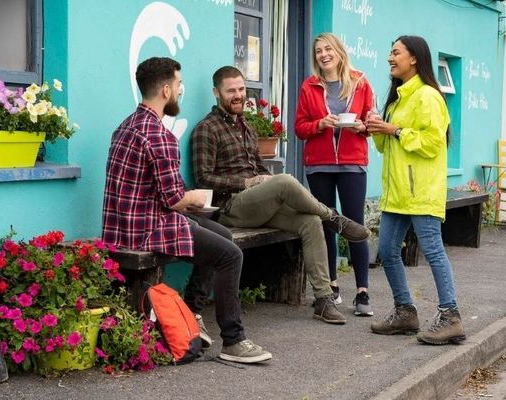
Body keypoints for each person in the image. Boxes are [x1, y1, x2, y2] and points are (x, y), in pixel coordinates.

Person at [102, 57, 272, 363]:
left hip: (123, 225)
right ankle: (233, 341)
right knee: (231, 255)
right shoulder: (159, 135)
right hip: (147, 229)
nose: (181, 91)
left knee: (220, 233)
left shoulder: (125, 126)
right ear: (166, 90)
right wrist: (193, 196)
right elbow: (173, 199)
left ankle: (194, 311)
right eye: (179, 84)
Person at [191, 65, 371, 325]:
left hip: (258, 206)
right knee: (285, 181)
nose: (238, 95)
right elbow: (204, 179)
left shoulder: (246, 127)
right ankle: (333, 217)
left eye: (241, 89)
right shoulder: (207, 129)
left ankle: (323, 299)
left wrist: (264, 179)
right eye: (231, 91)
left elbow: (260, 169)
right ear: (216, 93)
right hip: (230, 208)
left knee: (309, 222)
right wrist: (247, 182)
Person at [365, 36, 466, 345]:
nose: (389, 58)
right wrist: (376, 127)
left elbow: (435, 142)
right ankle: (405, 311)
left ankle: (451, 316)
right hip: (397, 193)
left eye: (396, 52)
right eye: (390, 52)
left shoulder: (428, 97)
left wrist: (394, 130)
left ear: (414, 59)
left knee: (433, 250)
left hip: (421, 190)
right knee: (387, 251)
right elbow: (387, 147)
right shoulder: (398, 98)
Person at [294, 33, 375, 317]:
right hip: (319, 165)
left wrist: (361, 128)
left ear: (339, 51)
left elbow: (371, 122)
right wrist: (320, 124)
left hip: (353, 163)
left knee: (355, 225)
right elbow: (300, 127)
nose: (323, 54)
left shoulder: (361, 82)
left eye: (328, 49)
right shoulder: (309, 85)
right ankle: (332, 285)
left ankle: (363, 291)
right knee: (327, 224)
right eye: (318, 51)